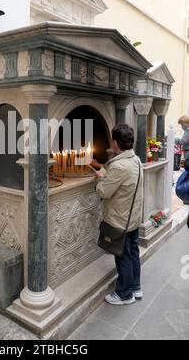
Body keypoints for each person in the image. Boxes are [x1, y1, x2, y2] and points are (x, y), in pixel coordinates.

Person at [91, 124, 144, 306]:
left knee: (123, 256)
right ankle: (136, 287)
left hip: (120, 220)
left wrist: (99, 179)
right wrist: (104, 169)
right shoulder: (135, 159)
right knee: (133, 252)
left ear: (115, 144)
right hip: (133, 217)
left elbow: (104, 192)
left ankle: (124, 294)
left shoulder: (120, 166)